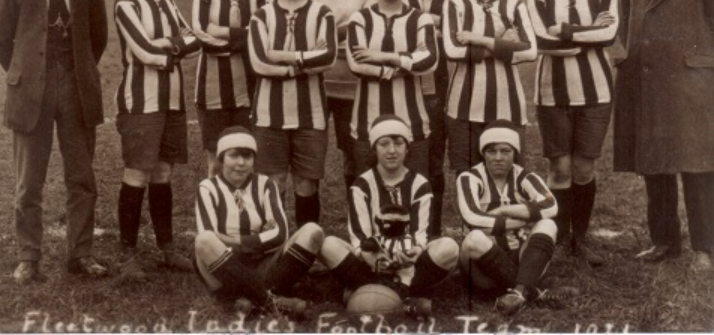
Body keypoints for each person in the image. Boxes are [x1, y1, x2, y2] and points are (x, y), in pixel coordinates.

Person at [0, 0, 108, 283]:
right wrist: (26, 74)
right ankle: (29, 257)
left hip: (76, 90)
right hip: (30, 95)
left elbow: (98, 39)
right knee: (29, 180)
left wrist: (76, 72)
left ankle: (82, 254)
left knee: (81, 177)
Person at [615, 0, 714, 271]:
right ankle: (664, 241)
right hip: (647, 79)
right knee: (655, 162)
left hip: (692, 80)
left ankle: (704, 246)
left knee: (697, 162)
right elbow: (624, 27)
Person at [527, 0, 618, 266]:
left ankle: (580, 239)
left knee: (583, 168)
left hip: (595, 91)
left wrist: (562, 30)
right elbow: (539, 39)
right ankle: (558, 237)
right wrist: (587, 31)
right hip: (552, 92)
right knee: (560, 167)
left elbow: (609, 32)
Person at [113, 0, 200, 279]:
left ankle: (166, 249)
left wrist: (167, 43)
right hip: (141, 103)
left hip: (173, 100)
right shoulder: (125, 1)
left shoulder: (165, 0)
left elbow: (194, 38)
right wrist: (172, 46)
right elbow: (145, 53)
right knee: (137, 173)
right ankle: (127, 255)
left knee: (163, 174)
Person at [319, 115, 459, 312]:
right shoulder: (361, 185)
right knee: (328, 245)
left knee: (449, 247)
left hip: (409, 263)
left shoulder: (420, 184)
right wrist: (371, 257)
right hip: (372, 262)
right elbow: (360, 237)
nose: (392, 151)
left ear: (407, 147)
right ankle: (408, 298)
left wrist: (414, 252)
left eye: (398, 143)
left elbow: (421, 234)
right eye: (384, 144)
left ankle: (368, 292)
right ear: (374, 148)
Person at [248, 0, 337, 227]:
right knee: (273, 183)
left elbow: (328, 57)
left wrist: (284, 57)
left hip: (311, 116)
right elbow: (260, 63)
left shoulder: (323, 14)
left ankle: (306, 251)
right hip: (268, 115)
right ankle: (276, 250)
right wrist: (303, 61)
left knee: (306, 183)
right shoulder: (261, 16)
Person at [194, 126, 324, 317]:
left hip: (263, 266)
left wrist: (234, 240)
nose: (241, 163)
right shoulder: (208, 187)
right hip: (223, 272)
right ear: (222, 158)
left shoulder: (265, 185)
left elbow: (280, 234)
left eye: (247, 156)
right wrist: (260, 240)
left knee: (313, 231)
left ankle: (246, 301)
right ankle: (273, 303)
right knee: (204, 240)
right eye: (233, 156)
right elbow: (211, 237)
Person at [457, 120, 575, 316]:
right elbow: (472, 217)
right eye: (491, 151)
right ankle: (531, 291)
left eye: (505, 151)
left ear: (515, 153)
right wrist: (523, 219)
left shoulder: (525, 177)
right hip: (482, 268)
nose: (498, 158)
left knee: (548, 224)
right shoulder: (469, 178)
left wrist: (506, 210)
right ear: (482, 153)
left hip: (522, 258)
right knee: (473, 239)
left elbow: (551, 205)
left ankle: (517, 293)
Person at [442, 0, 536, 173]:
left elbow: (530, 50)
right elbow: (453, 50)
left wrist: (479, 39)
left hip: (508, 103)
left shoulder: (514, 4)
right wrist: (503, 45)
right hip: (463, 104)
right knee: (467, 174)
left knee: (509, 174)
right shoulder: (455, 3)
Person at [407, 0, 472, 237]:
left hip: (468, 76)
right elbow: (414, 21)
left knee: (467, 156)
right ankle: (429, 231)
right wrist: (456, 23)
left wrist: (438, 20)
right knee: (430, 156)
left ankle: (478, 230)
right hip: (430, 80)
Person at [191, 0, 271, 179]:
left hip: (252, 86)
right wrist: (243, 38)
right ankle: (215, 214)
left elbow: (264, 34)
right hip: (212, 87)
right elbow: (202, 32)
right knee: (216, 161)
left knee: (249, 159)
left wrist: (222, 32)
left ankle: (249, 217)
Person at [347, 0, 437, 176]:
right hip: (367, 121)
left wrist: (385, 57)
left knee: (414, 187)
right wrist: (405, 65)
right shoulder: (360, 19)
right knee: (369, 188)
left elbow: (429, 60)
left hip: (412, 121)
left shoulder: (420, 19)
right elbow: (357, 65)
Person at [304, 0, 378, 198]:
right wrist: (344, 29)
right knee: (312, 149)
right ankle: (308, 217)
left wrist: (328, 33)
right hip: (316, 83)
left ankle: (356, 209)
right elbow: (304, 28)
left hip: (352, 83)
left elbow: (368, 26)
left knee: (353, 149)